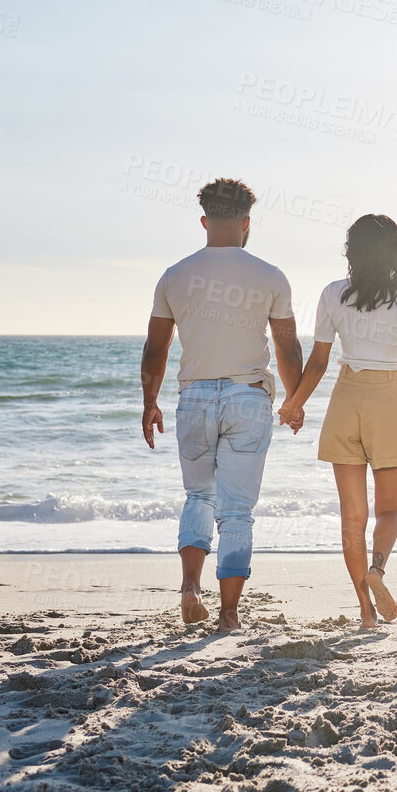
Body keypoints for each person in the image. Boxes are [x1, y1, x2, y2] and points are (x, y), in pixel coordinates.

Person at [140, 178, 302, 632]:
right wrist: (293, 400)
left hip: (193, 397)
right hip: (248, 397)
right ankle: (229, 615)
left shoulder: (175, 275)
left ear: (204, 220)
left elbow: (155, 349)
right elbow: (288, 349)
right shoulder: (270, 275)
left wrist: (149, 402)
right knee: (236, 511)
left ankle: (190, 588)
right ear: (247, 223)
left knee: (198, 496)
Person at [278, 214, 397, 629]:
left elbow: (318, 360)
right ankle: (378, 570)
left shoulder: (333, 294)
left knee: (352, 517)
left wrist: (294, 403)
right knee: (388, 509)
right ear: (395, 254)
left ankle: (365, 611)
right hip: (389, 399)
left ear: (351, 252)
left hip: (345, 399)